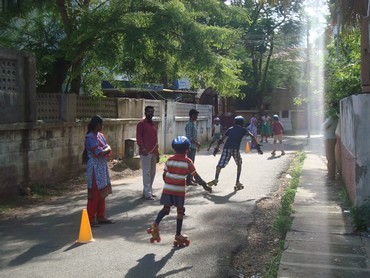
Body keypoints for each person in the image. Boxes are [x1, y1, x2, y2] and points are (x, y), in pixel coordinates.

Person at [146, 136, 212, 246]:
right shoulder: (188, 162)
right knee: (180, 211)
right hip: (179, 191)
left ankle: (155, 224)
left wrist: (169, 182)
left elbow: (164, 174)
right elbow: (196, 177)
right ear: (187, 149)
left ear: (174, 149)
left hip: (167, 189)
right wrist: (204, 185)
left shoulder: (169, 160)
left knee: (166, 209)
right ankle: (178, 234)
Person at [208, 116, 263, 190]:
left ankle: (216, 179)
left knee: (220, 165)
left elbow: (221, 139)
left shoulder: (230, 129)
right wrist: (258, 147)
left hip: (226, 148)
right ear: (242, 123)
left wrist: (216, 148)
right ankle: (237, 181)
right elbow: (252, 136)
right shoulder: (243, 129)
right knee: (239, 164)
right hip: (235, 149)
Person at [84, 115, 114, 227]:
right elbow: (99, 153)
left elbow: (105, 150)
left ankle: (101, 216)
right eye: (101, 124)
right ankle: (90, 218)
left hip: (102, 166)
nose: (102, 126)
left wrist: (106, 149)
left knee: (103, 191)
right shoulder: (90, 138)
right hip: (94, 168)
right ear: (96, 125)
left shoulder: (100, 136)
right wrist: (107, 149)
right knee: (95, 193)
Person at [136, 106, 159, 200]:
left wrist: (157, 153)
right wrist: (143, 148)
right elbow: (139, 137)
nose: (150, 113)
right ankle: (147, 194)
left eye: (152, 112)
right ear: (145, 113)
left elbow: (155, 139)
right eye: (148, 111)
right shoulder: (141, 124)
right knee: (147, 173)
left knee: (152, 172)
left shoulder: (153, 124)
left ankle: (148, 191)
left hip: (154, 151)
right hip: (145, 152)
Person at [185, 109, 200, 185]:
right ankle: (188, 180)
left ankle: (190, 178)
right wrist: (196, 143)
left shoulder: (194, 124)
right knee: (190, 164)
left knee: (192, 163)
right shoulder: (189, 124)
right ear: (192, 115)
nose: (197, 117)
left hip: (193, 146)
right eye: (196, 115)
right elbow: (188, 137)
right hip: (190, 147)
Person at [323, 113, 338, 180]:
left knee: (330, 158)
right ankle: (330, 174)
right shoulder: (331, 117)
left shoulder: (332, 117)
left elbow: (322, 127)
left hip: (329, 139)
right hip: (329, 138)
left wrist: (324, 126)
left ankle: (331, 176)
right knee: (329, 157)